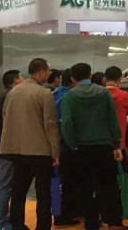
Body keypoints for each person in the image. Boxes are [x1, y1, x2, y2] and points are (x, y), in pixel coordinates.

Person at [61, 63, 128, 230]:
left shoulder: (69, 97)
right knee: (109, 185)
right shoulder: (104, 93)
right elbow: (112, 119)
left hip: (81, 148)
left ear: (72, 79)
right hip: (104, 146)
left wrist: (72, 143)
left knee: (85, 187)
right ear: (90, 75)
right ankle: (114, 222)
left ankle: (91, 223)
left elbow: (67, 123)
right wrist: (116, 144)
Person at [0, 58, 60, 230]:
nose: (48, 75)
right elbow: (50, 124)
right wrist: (55, 151)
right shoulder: (44, 93)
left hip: (16, 149)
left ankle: (17, 225)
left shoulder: (13, 92)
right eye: (47, 71)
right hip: (39, 150)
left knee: (18, 191)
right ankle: (42, 226)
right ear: (41, 72)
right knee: (43, 192)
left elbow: (5, 115)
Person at [0, 70, 24, 230]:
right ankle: (0, 223)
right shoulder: (10, 96)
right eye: (21, 77)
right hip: (3, 148)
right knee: (5, 186)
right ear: (15, 81)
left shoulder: (4, 96)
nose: (24, 80)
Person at [53, 68, 81, 226]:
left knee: (63, 180)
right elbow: (66, 122)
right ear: (72, 80)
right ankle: (64, 215)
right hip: (66, 144)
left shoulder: (56, 94)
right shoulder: (67, 97)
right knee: (69, 180)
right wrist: (73, 142)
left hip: (57, 142)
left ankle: (66, 212)